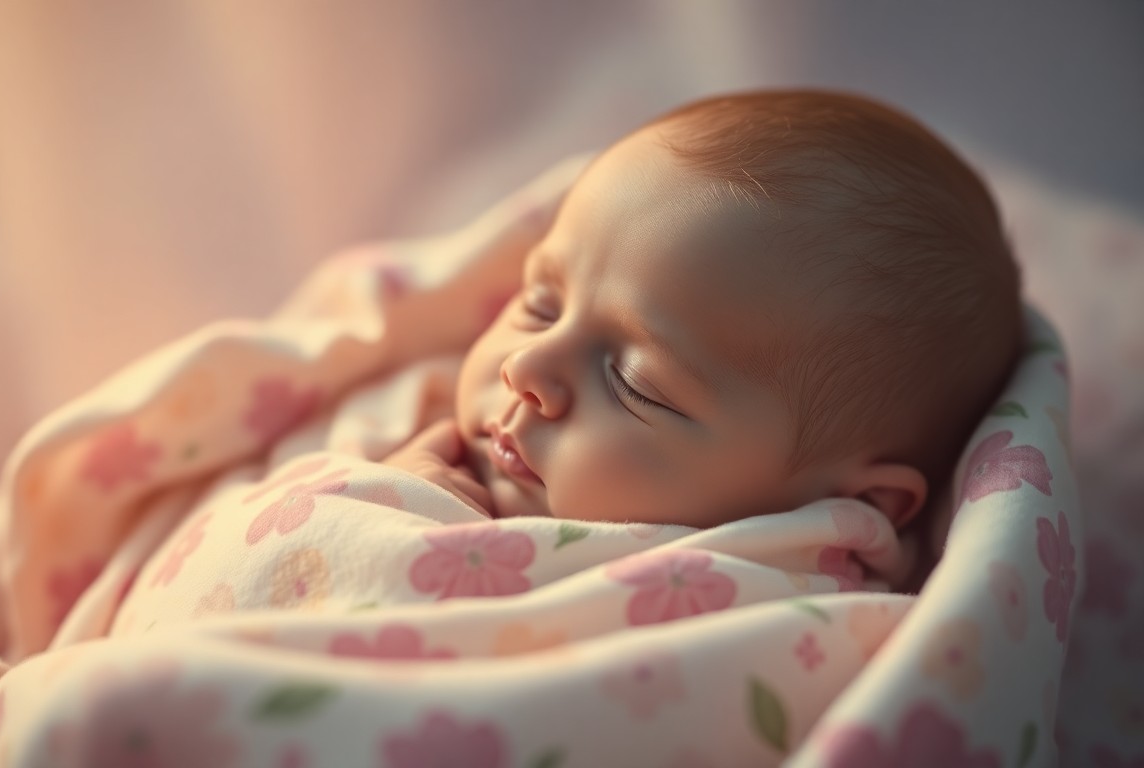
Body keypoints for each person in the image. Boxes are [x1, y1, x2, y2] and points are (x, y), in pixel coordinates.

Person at [387, 89, 1022, 531]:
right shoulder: (404, 405)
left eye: (634, 385)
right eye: (540, 305)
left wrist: (404, 518)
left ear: (857, 503)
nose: (525, 367)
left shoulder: (762, 616)